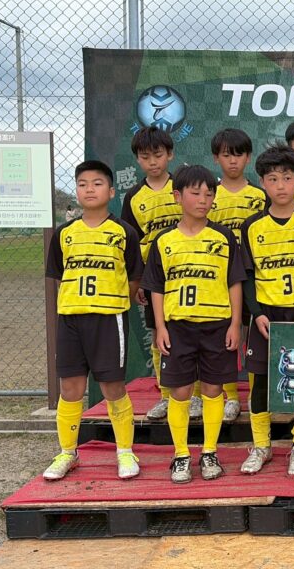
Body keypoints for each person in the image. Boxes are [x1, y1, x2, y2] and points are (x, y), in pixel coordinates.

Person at [142, 165, 246, 483]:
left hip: (217, 324)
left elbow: (234, 283)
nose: (203, 199)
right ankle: (181, 454)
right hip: (178, 327)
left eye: (209, 194)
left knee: (214, 389)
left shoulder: (223, 237)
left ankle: (210, 452)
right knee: (181, 390)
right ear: (178, 196)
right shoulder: (164, 241)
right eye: (195, 193)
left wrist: (235, 324)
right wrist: (160, 326)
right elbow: (156, 288)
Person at [42, 160, 142, 481]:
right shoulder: (64, 234)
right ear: (76, 191)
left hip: (108, 319)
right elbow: (60, 276)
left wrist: (113, 301)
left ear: (111, 191)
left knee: (112, 386)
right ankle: (67, 453)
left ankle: (125, 451)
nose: (89, 189)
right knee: (70, 387)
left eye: (97, 184)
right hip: (71, 319)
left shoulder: (124, 232)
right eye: (82, 184)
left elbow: (133, 278)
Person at [239, 145, 294, 476]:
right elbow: (247, 276)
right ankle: (261, 445)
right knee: (261, 383)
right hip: (266, 316)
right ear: (262, 183)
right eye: (273, 179)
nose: (281, 185)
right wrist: (256, 312)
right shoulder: (252, 226)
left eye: (287, 178)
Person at [121, 126, 182, 422]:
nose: (152, 162)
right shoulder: (134, 197)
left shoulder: (183, 187)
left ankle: (195, 396)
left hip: (187, 273)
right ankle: (166, 395)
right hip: (153, 278)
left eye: (158, 155)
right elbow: (131, 245)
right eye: (145, 157)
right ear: (137, 160)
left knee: (191, 333)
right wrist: (140, 282)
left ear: (170, 154)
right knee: (159, 334)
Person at [207, 128, 266, 424]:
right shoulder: (209, 195)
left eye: (239, 155)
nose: (233, 161)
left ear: (248, 158)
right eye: (226, 155)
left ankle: (256, 395)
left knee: (251, 334)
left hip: (253, 276)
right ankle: (231, 396)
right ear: (216, 158)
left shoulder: (260, 196)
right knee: (226, 336)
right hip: (219, 278)